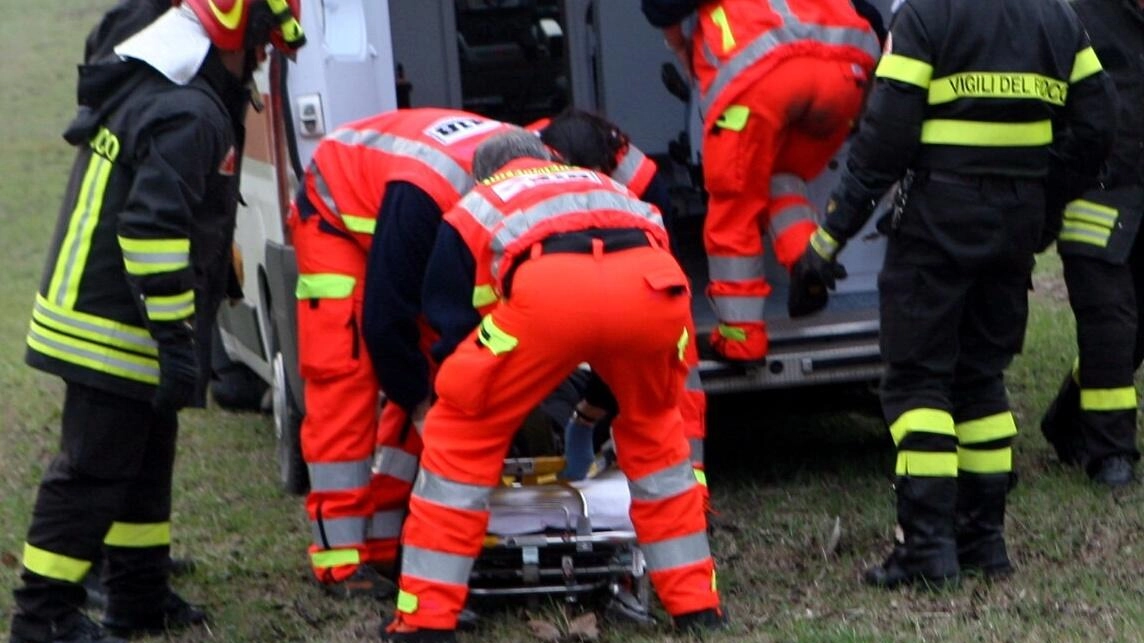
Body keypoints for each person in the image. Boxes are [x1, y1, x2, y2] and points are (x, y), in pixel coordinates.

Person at [788, 0, 1116, 588]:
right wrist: (1042, 199)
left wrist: (828, 238)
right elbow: (1098, 122)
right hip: (1014, 221)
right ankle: (985, 545)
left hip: (938, 220)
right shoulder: (1058, 15)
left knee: (918, 381)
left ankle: (928, 553)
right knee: (982, 380)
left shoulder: (926, 13)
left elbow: (884, 138)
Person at [12, 1, 306, 641]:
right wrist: (176, 339)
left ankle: (137, 598)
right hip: (111, 324)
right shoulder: (190, 112)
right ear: (238, 36)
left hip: (118, 311)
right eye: (261, 45)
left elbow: (180, 211)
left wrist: (213, 281)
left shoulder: (173, 94)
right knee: (90, 474)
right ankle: (43, 617)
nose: (262, 59)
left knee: (144, 463)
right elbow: (149, 231)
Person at [382, 130, 724, 642]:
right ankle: (697, 606)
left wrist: (473, 396)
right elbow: (624, 304)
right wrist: (599, 405)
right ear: (548, 159)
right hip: (656, 291)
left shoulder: (479, 203)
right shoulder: (603, 185)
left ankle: (426, 621)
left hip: (551, 295)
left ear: (484, 174)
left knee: (459, 437)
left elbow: (450, 320)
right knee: (656, 434)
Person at [289, 108, 518, 596]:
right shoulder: (425, 196)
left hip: (407, 203)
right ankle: (340, 559)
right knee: (346, 371)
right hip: (336, 208)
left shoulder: (538, 177)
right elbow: (385, 323)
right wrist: (420, 408)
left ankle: (390, 543)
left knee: (438, 374)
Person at [640, 0, 880, 361]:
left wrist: (678, 46)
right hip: (845, 78)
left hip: (762, 77)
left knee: (733, 208)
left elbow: (662, 7)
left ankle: (741, 338)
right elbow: (872, 18)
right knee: (782, 176)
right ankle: (806, 260)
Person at [525, 108, 710, 485]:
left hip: (635, 269)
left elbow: (662, 268)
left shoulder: (641, 182)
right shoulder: (521, 167)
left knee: (676, 362)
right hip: (548, 265)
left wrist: (591, 412)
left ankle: (691, 488)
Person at [1039, 0, 1144, 488]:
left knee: (1134, 330)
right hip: (1093, 197)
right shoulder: (1076, 15)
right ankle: (1112, 455)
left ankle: (1066, 418)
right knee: (1109, 324)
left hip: (1141, 202)